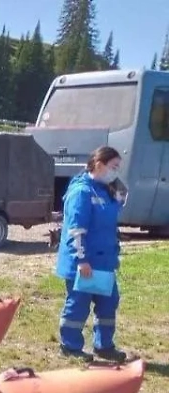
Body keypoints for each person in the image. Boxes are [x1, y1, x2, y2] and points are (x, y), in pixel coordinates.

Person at [55, 145, 127, 363]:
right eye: (113, 167)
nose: (116, 172)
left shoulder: (106, 190)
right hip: (85, 262)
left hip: (104, 261)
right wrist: (81, 260)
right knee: (78, 304)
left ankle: (104, 346)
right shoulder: (82, 192)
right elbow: (75, 230)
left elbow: (113, 216)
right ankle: (70, 346)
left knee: (109, 302)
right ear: (99, 164)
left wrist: (119, 190)